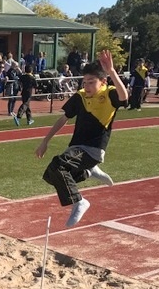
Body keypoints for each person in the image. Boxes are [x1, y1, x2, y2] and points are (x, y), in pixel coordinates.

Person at [35, 50, 128, 228]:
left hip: (92, 149)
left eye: (91, 82)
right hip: (76, 148)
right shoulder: (81, 96)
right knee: (50, 175)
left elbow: (124, 97)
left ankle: (79, 202)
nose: (87, 86)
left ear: (103, 82)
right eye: (84, 82)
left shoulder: (109, 94)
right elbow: (63, 118)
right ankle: (88, 172)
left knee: (59, 165)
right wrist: (45, 141)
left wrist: (112, 72)